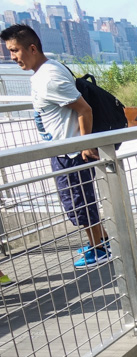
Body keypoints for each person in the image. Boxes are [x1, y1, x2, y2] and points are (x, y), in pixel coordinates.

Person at [1, 23, 109, 268]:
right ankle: (101, 241)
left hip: (70, 152)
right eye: (9, 51)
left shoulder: (48, 77)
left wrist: (85, 144)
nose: (13, 57)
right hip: (66, 149)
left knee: (79, 203)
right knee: (81, 200)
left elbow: (84, 109)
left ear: (32, 48)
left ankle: (99, 250)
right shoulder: (47, 70)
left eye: (15, 50)